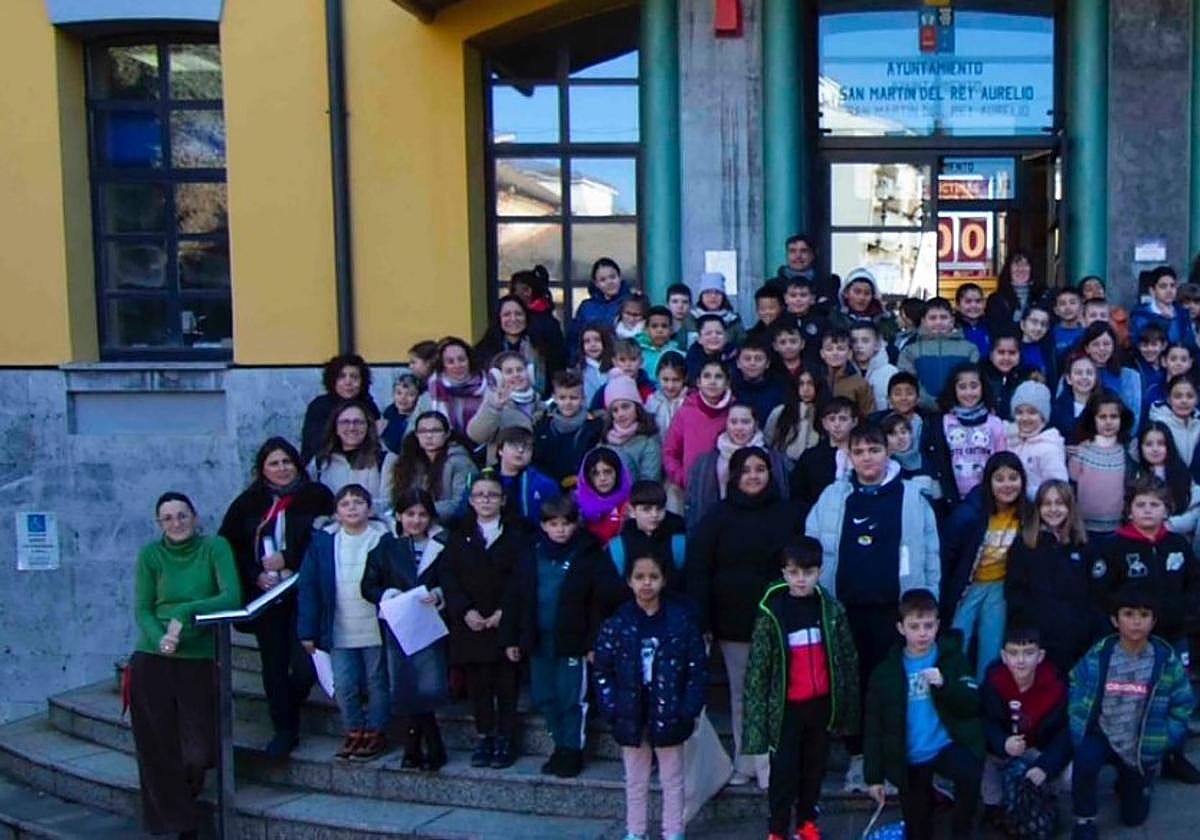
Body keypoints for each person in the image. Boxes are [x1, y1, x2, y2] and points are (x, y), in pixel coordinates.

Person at [805, 424, 942, 794]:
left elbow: (930, 553)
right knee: (852, 687)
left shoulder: (911, 497)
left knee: (894, 686)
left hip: (895, 614)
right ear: (849, 456)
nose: (867, 458)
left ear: (888, 452)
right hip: (845, 610)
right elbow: (813, 546)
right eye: (860, 451)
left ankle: (895, 760)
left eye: (874, 450)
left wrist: (928, 602)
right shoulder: (834, 496)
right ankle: (859, 759)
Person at [131, 492, 241, 838]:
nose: (176, 523)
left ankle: (187, 802)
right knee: (157, 744)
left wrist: (184, 612)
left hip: (198, 657)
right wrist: (161, 640)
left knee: (198, 748)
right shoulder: (151, 555)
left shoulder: (215, 548)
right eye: (168, 518)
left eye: (182, 515)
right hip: (154, 656)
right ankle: (179, 823)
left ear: (194, 517)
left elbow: (231, 596)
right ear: (159, 523)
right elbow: (143, 608)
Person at [688, 446, 799, 787]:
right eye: (746, 470)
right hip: (732, 621)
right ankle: (747, 762)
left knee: (773, 693)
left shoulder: (786, 514)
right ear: (734, 476)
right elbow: (699, 569)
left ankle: (772, 764)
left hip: (777, 619)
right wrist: (703, 620)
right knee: (742, 694)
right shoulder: (717, 516)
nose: (753, 476)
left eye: (760, 469)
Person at [218, 438, 334, 757]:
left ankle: (289, 703)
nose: (282, 469)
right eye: (274, 463)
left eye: (287, 462)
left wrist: (290, 558)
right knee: (274, 665)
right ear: (262, 469)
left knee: (306, 665)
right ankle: (284, 730)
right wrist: (255, 573)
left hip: (303, 593)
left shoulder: (316, 496)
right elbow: (229, 547)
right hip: (266, 598)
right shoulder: (247, 503)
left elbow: (327, 538)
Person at [742, 538, 861, 840]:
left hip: (820, 705)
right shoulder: (772, 612)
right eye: (794, 572)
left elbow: (846, 658)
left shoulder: (830, 610)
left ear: (820, 571)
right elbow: (758, 669)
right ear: (784, 573)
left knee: (814, 769)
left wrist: (846, 706)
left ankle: (807, 821)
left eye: (808, 572)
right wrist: (757, 718)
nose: (801, 579)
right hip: (786, 708)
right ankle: (777, 829)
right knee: (783, 772)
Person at [502, 494, 621, 778]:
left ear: (575, 524)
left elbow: (600, 602)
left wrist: (593, 642)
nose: (560, 530)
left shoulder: (589, 554)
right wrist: (511, 637)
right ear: (544, 525)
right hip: (538, 640)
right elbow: (515, 597)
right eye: (554, 524)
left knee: (571, 698)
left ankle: (573, 749)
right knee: (545, 696)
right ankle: (559, 745)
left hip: (573, 640)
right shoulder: (531, 553)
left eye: (566, 524)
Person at [1091, 476, 1200, 786]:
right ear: (1129, 510)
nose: (1148, 510)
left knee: (1177, 695)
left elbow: (1194, 584)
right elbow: (1101, 594)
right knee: (1136, 699)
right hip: (1133, 641)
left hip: (1174, 635)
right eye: (1141, 504)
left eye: (1155, 504)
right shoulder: (1115, 547)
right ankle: (1131, 761)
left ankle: (1173, 754)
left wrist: (1187, 614)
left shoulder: (1177, 545)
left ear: (1167, 509)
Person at [593, 553, 707, 840]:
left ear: (664, 580)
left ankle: (674, 831)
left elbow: (696, 670)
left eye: (653, 577)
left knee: (672, 778)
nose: (646, 583)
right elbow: (603, 669)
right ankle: (636, 831)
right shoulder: (617, 623)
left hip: (670, 711)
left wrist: (688, 710)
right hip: (630, 712)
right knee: (635, 778)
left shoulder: (680, 622)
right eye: (640, 577)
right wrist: (612, 708)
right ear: (629, 581)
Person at [1068, 585, 1196, 838]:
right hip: (1102, 734)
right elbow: (1076, 681)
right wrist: (1079, 719)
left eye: (1144, 615)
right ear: (1115, 620)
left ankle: (1130, 782)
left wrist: (1164, 738)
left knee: (1134, 818)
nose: (1136, 622)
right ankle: (1084, 818)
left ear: (1153, 621)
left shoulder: (1165, 660)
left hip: (1140, 742)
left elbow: (1183, 703)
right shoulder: (1101, 654)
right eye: (1128, 614)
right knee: (1084, 760)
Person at [863, 588, 984, 840]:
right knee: (918, 827)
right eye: (914, 626)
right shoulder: (885, 673)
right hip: (910, 757)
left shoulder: (951, 658)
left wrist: (945, 684)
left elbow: (972, 703)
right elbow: (874, 727)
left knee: (970, 774)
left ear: (938, 625)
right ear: (901, 628)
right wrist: (874, 777)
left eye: (928, 626)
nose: (922, 633)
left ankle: (960, 831)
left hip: (944, 746)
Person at [438, 470, 527, 769]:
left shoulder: (516, 536)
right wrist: (465, 610)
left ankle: (506, 737)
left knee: (506, 684)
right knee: (479, 686)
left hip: (505, 622)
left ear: (503, 500)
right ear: (471, 501)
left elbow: (521, 579)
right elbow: (448, 577)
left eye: (492, 495)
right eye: (479, 495)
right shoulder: (458, 536)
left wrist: (505, 612)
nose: (486, 500)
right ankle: (485, 736)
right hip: (471, 624)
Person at [297, 484, 392, 760]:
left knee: (377, 681)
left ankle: (376, 730)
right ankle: (354, 728)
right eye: (345, 504)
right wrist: (307, 630)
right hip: (339, 626)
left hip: (375, 625)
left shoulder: (384, 539)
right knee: (344, 683)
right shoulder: (324, 542)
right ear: (336, 513)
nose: (352, 508)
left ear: (369, 509)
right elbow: (309, 586)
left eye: (358, 502)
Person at [359, 488, 449, 771]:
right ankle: (425, 742)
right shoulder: (387, 546)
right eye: (410, 514)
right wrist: (388, 594)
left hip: (430, 622)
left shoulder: (442, 545)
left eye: (422, 514)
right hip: (398, 622)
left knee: (428, 683)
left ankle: (419, 744)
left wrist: (438, 593)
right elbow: (368, 585)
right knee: (406, 683)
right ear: (399, 516)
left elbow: (453, 579)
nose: (416, 520)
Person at [941, 452, 1029, 681]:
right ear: (988, 482)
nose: (1007, 485)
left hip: (999, 586)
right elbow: (948, 555)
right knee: (958, 639)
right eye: (999, 479)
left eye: (1013, 478)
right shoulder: (969, 514)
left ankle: (986, 690)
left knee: (992, 645)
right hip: (969, 586)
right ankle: (954, 690)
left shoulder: (1026, 513)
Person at [1005, 480, 1103, 672]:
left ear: (1070, 507)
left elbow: (1096, 595)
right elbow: (1015, 593)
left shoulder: (1084, 545)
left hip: (1078, 639)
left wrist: (1088, 628)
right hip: (1039, 640)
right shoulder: (1025, 545)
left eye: (1059, 503)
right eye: (1047, 503)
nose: (1053, 509)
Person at [979, 626, 1071, 827]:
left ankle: (1045, 794)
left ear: (1040, 656)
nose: (1020, 661)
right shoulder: (994, 680)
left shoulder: (1056, 686)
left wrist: (1045, 766)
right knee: (979, 755)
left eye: (1029, 653)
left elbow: (1065, 733)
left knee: (1070, 775)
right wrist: (1003, 742)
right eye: (1013, 653)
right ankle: (993, 804)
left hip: (1039, 749)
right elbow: (985, 720)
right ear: (1004, 656)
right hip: (1004, 750)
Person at [685, 403, 790, 530]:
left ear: (756, 424)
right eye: (734, 422)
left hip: (764, 528)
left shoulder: (776, 460)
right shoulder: (705, 463)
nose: (739, 428)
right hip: (719, 531)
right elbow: (695, 506)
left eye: (745, 422)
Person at [383, 410, 475, 524]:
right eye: (423, 431)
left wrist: (420, 511)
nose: (429, 436)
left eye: (435, 431)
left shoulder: (461, 462)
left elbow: (459, 504)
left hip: (448, 526)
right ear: (416, 435)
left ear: (447, 434)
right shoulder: (410, 461)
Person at [933, 362, 1008, 501]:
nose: (968, 392)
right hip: (953, 498)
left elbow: (1001, 462)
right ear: (953, 390)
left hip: (989, 497)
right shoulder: (944, 422)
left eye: (974, 386)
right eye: (962, 387)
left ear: (983, 387)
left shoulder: (995, 423)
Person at [662, 359, 733, 496]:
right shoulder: (685, 412)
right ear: (698, 382)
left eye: (718, 377)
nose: (712, 382)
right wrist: (683, 478)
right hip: (691, 489)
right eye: (707, 376)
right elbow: (670, 452)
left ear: (727, 383)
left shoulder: (734, 412)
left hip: (727, 490)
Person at [1068, 394, 1134, 539]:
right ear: (1093, 419)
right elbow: (1072, 487)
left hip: (1119, 529)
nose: (1108, 422)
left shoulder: (1128, 451)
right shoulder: (1081, 451)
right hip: (1084, 530)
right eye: (1102, 417)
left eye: (1113, 416)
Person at [897, 297, 980, 408]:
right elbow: (907, 380)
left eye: (943, 317)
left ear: (952, 321)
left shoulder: (969, 349)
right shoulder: (910, 350)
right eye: (933, 318)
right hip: (921, 410)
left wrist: (952, 400)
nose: (938, 322)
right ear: (924, 321)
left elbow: (973, 380)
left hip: (960, 409)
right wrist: (926, 401)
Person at [1129, 420, 1200, 548]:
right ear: (1140, 447)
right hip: (1142, 542)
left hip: (1178, 540)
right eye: (1149, 444)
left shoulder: (1182, 474)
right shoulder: (1135, 475)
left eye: (1161, 444)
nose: (1155, 449)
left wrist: (1167, 526)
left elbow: (1195, 513)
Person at [474, 293, 561, 397]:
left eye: (518, 314)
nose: (513, 319)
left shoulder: (544, 348)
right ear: (498, 319)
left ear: (526, 317)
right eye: (507, 314)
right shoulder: (483, 352)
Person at [300, 353, 380, 465]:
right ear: (333, 380)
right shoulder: (319, 406)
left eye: (354, 377)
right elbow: (316, 444)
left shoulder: (369, 406)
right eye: (341, 377)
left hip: (364, 465)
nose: (348, 382)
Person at [467, 350, 547, 462]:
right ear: (498, 377)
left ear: (529, 372)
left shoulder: (541, 405)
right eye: (509, 372)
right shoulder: (494, 405)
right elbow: (476, 435)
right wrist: (494, 409)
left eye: (520, 370)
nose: (516, 375)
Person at [610, 480, 688, 592]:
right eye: (647, 509)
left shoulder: (678, 542)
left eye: (659, 508)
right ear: (632, 511)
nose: (654, 514)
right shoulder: (619, 546)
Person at [532, 369, 603, 489]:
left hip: (584, 486)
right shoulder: (542, 426)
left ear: (583, 398)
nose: (568, 403)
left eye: (573, 398)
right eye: (562, 398)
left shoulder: (594, 426)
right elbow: (536, 461)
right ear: (554, 398)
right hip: (548, 487)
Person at [789, 396, 859, 517]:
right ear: (824, 423)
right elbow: (798, 497)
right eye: (832, 419)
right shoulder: (810, 457)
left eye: (843, 419)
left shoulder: (863, 455)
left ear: (854, 422)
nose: (837, 424)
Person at [309, 400, 386, 508]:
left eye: (358, 422)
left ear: (368, 426)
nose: (352, 427)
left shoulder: (384, 461)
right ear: (335, 428)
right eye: (345, 422)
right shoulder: (320, 462)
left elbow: (387, 505)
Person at [410, 336, 487, 438]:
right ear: (442, 365)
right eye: (450, 362)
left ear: (469, 360)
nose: (457, 365)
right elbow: (412, 434)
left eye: (462, 359)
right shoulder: (428, 397)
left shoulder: (488, 388)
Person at [1006, 380, 1068, 498]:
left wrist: (1025, 493)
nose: (1025, 418)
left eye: (1032, 412)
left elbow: (1058, 489)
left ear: (1043, 417)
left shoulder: (1049, 448)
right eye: (1019, 412)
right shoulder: (1010, 442)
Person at [508, 265, 568, 384]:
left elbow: (557, 360)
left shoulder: (543, 322)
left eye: (514, 291)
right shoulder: (548, 318)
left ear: (527, 291)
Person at [493, 425, 560, 532]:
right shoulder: (483, 480)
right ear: (500, 450)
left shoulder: (545, 484)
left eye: (527, 448)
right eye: (514, 446)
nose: (520, 450)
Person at [567, 257, 632, 363]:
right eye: (603, 280)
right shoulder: (586, 307)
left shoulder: (631, 304)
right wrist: (575, 361)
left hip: (623, 363)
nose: (609, 282)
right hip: (590, 364)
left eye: (613, 277)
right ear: (596, 284)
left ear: (620, 277)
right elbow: (574, 338)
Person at [600, 374, 662, 482]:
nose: (620, 414)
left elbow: (649, 482)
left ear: (636, 407)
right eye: (615, 410)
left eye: (625, 407)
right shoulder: (605, 440)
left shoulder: (649, 443)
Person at [1080, 322, 1142, 427]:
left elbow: (1134, 415)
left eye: (1106, 344)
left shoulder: (1130, 376)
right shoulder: (1076, 375)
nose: (1102, 348)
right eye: (1096, 344)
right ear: (1087, 348)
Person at [764, 369, 825, 468]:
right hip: (784, 466)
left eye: (810, 384)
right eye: (801, 384)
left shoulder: (824, 414)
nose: (805, 389)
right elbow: (768, 440)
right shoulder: (781, 411)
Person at [576, 446, 632, 546]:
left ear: (618, 472)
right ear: (587, 476)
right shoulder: (575, 505)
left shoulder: (632, 504)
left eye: (608, 472)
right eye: (595, 473)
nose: (602, 478)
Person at [1131, 265, 1197, 349]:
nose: (1169, 290)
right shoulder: (1141, 316)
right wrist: (1165, 322)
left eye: (1172, 286)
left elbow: (1191, 344)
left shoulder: (1182, 313)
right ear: (1152, 291)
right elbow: (1140, 346)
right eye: (1163, 286)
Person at [1148, 373, 1200, 478]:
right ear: (1168, 399)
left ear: (1197, 399)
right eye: (1178, 396)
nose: (1184, 401)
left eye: (1190, 396)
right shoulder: (1157, 424)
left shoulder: (1197, 423)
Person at [829, 267, 898, 344]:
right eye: (857, 292)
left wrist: (884, 316)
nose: (862, 297)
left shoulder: (883, 318)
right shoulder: (836, 316)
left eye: (867, 293)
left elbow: (892, 338)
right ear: (846, 293)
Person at [816, 328, 875, 417]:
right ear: (822, 353)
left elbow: (869, 415)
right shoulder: (816, 379)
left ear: (849, 354)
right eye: (829, 349)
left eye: (840, 349)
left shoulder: (860, 383)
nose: (835, 353)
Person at [774, 233, 839, 310]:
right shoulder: (773, 286)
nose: (798, 256)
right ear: (787, 255)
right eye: (792, 251)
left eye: (804, 251)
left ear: (812, 255)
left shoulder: (828, 284)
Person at [731, 337, 786, 426]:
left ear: (767, 364)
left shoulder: (779, 391)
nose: (752, 363)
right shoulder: (729, 389)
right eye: (747, 358)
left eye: (758, 359)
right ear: (738, 363)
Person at [983, 328, 1036, 421]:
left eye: (1012, 353)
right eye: (1001, 352)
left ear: (1020, 355)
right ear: (991, 355)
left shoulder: (1028, 379)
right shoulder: (981, 377)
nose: (1006, 358)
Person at [986, 250, 1047, 331]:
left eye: (1025, 264)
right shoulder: (995, 299)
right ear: (1008, 269)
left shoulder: (1043, 296)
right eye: (1016, 264)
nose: (1021, 269)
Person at [1050, 352, 1100, 444]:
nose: (1084, 377)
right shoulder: (1056, 409)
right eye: (1078, 373)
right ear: (1068, 379)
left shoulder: (1105, 404)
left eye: (1089, 373)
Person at [850, 321, 898, 411]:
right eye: (854, 341)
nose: (859, 346)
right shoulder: (846, 371)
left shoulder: (890, 372)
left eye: (865, 341)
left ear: (877, 344)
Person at [691, 271, 746, 346]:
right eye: (708, 292)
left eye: (717, 292)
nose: (713, 296)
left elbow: (743, 345)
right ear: (701, 296)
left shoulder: (733, 320)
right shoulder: (691, 318)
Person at [685, 313, 739, 383]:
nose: (714, 336)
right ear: (699, 338)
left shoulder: (735, 354)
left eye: (719, 333)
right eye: (708, 333)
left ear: (726, 336)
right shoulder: (692, 359)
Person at [638, 304, 686, 378]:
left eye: (664, 326)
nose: (659, 330)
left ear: (671, 329)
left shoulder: (680, 355)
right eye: (654, 326)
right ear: (646, 329)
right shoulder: (638, 353)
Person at [380, 370, 421, 454]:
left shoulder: (418, 418)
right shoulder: (387, 414)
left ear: (418, 398)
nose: (403, 398)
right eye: (399, 393)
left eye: (410, 394)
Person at [579, 324, 616, 405]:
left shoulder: (615, 366)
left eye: (597, 340)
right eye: (587, 341)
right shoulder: (578, 370)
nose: (592, 345)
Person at [955, 282, 991, 358]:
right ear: (958, 305)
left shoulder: (992, 326)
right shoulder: (952, 328)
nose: (973, 305)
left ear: (984, 304)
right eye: (968, 301)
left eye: (978, 301)